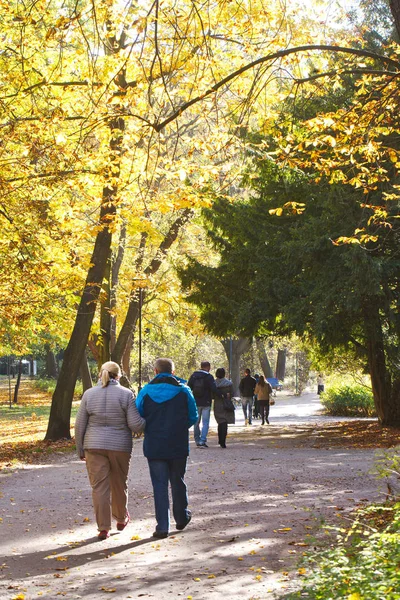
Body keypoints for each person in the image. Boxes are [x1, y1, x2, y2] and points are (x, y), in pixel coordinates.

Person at [75, 361, 145, 541]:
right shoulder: (126, 394)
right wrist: (149, 421)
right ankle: (121, 519)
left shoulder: (89, 394)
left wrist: (80, 449)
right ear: (118, 376)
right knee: (119, 483)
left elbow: (80, 424)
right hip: (119, 446)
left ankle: (103, 528)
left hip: (94, 446)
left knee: (99, 487)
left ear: (101, 374)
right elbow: (135, 424)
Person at [135, 357, 198, 539]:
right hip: (177, 443)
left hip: (154, 444)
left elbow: (139, 415)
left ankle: (162, 526)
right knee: (177, 480)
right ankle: (181, 517)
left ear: (155, 371)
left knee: (159, 485)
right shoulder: (184, 391)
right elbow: (193, 416)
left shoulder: (146, 391)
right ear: (172, 372)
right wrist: (178, 426)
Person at [188, 361, 218, 448]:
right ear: (208, 367)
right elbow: (214, 389)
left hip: (196, 402)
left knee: (196, 422)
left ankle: (197, 439)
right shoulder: (209, 377)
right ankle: (202, 440)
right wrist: (222, 395)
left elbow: (189, 388)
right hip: (206, 402)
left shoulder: (193, 376)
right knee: (205, 422)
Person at [214, 367, 235, 448]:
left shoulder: (214, 384)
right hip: (226, 404)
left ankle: (220, 439)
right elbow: (232, 394)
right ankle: (223, 441)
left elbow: (212, 395)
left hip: (217, 404)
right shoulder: (229, 383)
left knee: (220, 422)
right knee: (225, 423)